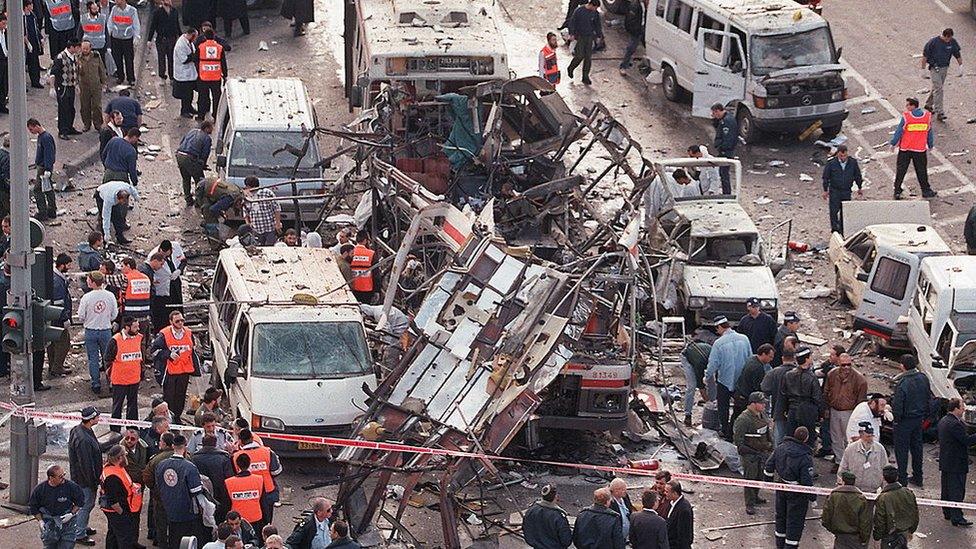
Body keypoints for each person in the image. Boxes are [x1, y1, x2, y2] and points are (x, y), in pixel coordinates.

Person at [765, 426, 817, 549]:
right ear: (806, 439)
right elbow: (806, 481)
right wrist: (812, 498)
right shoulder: (805, 457)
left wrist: (768, 482)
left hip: (781, 488)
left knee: (781, 518)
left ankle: (780, 546)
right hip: (797, 494)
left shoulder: (780, 448)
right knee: (795, 522)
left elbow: (769, 466)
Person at [157, 434, 212, 547]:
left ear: (173, 446)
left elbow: (158, 485)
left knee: (172, 539)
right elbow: (195, 491)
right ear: (185, 447)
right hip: (186, 511)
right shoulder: (190, 467)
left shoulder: (161, 465)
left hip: (168, 509)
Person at [704, 315, 752, 439]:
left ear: (720, 327)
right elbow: (750, 358)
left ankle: (725, 431)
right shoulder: (744, 339)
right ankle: (737, 430)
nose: (717, 332)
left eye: (717, 329)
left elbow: (713, 363)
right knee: (740, 406)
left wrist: (707, 377)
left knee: (723, 407)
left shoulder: (718, 343)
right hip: (741, 381)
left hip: (725, 381)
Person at [892, 354, 930, 487]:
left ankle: (902, 478)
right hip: (918, 419)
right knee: (917, 449)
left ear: (902, 366)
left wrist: (896, 419)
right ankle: (918, 476)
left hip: (904, 421)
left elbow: (898, 404)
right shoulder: (923, 378)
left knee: (902, 450)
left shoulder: (903, 382)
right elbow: (927, 397)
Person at [937, 397, 976, 526]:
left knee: (947, 489)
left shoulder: (944, 421)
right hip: (956, 463)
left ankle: (947, 512)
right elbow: (966, 440)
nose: (964, 409)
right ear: (956, 408)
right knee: (957, 490)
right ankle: (957, 517)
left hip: (947, 461)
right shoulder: (955, 424)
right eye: (962, 407)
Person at [152, 310, 196, 424]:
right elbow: (154, 351)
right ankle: (169, 419)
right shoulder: (164, 334)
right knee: (169, 397)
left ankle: (177, 417)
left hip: (184, 371)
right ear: (171, 322)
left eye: (182, 320)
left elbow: (192, 348)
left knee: (181, 396)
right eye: (177, 321)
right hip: (170, 372)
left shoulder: (188, 332)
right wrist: (168, 354)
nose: (180, 323)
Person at [733, 391, 773, 515]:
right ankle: (749, 503)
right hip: (750, 456)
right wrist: (753, 452)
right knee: (750, 479)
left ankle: (755, 497)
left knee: (759, 477)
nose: (764, 405)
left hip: (761, 453)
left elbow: (766, 432)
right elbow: (739, 443)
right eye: (761, 403)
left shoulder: (762, 415)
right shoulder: (743, 419)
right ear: (753, 404)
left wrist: (769, 446)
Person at [824, 353, 867, 465]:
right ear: (838, 364)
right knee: (836, 438)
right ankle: (839, 462)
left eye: (849, 365)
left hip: (849, 412)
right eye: (843, 365)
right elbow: (826, 392)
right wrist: (826, 409)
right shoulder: (832, 374)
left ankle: (850, 462)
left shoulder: (859, 379)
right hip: (834, 410)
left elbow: (861, 401)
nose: (846, 367)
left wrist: (857, 417)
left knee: (849, 438)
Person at [233, 429, 282, 528]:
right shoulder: (267, 452)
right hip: (268, 492)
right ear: (252, 438)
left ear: (240, 441)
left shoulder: (236, 456)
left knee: (249, 524)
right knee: (266, 522)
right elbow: (276, 471)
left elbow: (234, 475)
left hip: (248, 493)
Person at [68, 406, 103, 547]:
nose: (99, 419)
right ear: (91, 420)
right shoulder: (84, 440)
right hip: (85, 481)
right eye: (97, 417)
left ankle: (80, 526)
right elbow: (86, 465)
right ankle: (79, 533)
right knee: (85, 505)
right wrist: (93, 482)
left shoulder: (78, 430)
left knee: (82, 505)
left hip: (79, 478)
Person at [78, 271, 118, 393]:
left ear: (93, 282)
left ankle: (96, 383)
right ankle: (111, 381)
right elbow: (114, 314)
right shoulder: (110, 296)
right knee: (109, 358)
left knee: (93, 358)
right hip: (106, 330)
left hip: (91, 330)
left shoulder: (86, 297)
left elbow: (81, 316)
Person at [890, 97, 936, 199]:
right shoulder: (927, 117)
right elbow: (929, 133)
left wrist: (893, 143)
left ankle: (897, 190)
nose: (906, 107)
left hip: (905, 149)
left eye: (908, 105)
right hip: (919, 150)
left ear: (913, 106)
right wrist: (930, 144)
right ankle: (926, 190)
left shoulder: (907, 117)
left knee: (901, 171)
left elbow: (899, 131)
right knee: (921, 171)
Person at [29, 464, 85, 549]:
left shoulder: (71, 487)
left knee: (67, 546)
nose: (63, 478)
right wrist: (40, 521)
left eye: (64, 475)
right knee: (50, 546)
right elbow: (33, 507)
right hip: (49, 523)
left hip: (68, 523)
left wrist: (71, 514)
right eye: (60, 476)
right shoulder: (40, 490)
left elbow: (80, 501)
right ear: (51, 478)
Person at [105, 315, 145, 430]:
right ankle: (115, 430)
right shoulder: (115, 340)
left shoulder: (139, 338)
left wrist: (141, 372)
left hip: (134, 379)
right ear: (127, 327)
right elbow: (108, 359)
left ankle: (132, 428)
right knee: (117, 406)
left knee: (133, 406)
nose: (138, 329)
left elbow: (140, 357)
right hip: (120, 381)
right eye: (135, 327)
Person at [100, 444, 143, 548]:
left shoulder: (114, 468)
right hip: (117, 511)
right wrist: (123, 514)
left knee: (113, 534)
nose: (127, 456)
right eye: (125, 454)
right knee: (125, 537)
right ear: (119, 458)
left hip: (116, 509)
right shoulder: (112, 477)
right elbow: (113, 501)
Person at [780, 347, 822, 447]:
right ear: (806, 359)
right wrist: (819, 414)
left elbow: (784, 394)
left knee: (790, 437)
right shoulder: (812, 377)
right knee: (807, 439)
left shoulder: (788, 375)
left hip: (792, 410)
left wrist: (785, 409)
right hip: (807, 411)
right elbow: (817, 398)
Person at [821, 471, 872, 549]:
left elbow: (826, 518)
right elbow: (865, 522)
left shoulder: (834, 496)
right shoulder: (861, 499)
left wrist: (834, 530)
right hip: (855, 538)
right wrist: (864, 538)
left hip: (840, 537)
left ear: (843, 481)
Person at [191, 433, 234, 523]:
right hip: (221, 496)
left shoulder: (195, 458)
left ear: (202, 444)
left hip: (202, 496)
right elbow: (229, 478)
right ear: (215, 444)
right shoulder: (223, 458)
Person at [821, 145, 863, 234]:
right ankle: (835, 229)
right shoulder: (831, 163)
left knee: (844, 211)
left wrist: (860, 187)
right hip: (835, 190)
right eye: (841, 156)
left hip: (846, 190)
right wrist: (825, 190)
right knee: (833, 211)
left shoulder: (852, 162)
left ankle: (842, 229)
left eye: (844, 156)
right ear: (838, 154)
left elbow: (857, 175)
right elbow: (826, 177)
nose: (843, 158)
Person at [873, 465, 919, 547]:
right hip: (904, 532)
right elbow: (915, 512)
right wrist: (911, 530)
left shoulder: (883, 498)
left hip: (889, 536)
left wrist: (877, 536)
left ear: (883, 478)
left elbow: (880, 520)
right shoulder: (908, 492)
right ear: (897, 477)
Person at [922, 28, 962, 121]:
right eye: (947, 39)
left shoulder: (952, 42)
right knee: (939, 89)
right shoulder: (933, 42)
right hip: (934, 68)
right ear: (944, 36)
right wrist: (923, 70)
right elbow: (925, 55)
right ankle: (939, 112)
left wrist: (961, 66)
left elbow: (957, 53)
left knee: (937, 88)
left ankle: (928, 104)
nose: (948, 41)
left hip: (944, 68)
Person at [838, 422, 888, 494]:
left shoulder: (880, 449)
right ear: (861, 435)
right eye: (868, 436)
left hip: (873, 491)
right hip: (854, 491)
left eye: (872, 436)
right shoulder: (850, 449)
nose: (871, 439)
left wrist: (885, 490)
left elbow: (885, 469)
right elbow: (842, 469)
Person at [144, 431, 174, 545]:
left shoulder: (156, 459)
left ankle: (161, 543)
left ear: (165, 444)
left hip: (160, 497)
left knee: (161, 524)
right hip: (177, 498)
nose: (159, 443)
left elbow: (147, 477)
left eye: (161, 441)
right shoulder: (183, 456)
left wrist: (154, 489)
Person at [47, 253, 73, 379]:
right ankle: (57, 367)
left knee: (53, 342)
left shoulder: (55, 277)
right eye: (68, 265)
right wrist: (65, 318)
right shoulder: (57, 282)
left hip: (52, 316)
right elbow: (60, 302)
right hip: (58, 317)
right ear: (62, 265)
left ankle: (54, 366)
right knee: (64, 342)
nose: (69, 267)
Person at [764, 342, 796, 444]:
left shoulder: (774, 372)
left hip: (779, 410)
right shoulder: (799, 373)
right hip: (795, 411)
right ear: (794, 358)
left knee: (779, 439)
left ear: (782, 358)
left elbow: (764, 388)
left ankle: (779, 458)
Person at [732, 343, 774, 422]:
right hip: (745, 398)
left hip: (739, 393)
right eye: (770, 357)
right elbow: (758, 388)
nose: (771, 359)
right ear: (764, 354)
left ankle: (729, 433)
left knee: (735, 418)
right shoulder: (758, 368)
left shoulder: (752, 358)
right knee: (743, 420)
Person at [522, 484, 572, 549]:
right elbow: (566, 540)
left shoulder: (531, 510)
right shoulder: (558, 516)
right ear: (556, 497)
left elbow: (526, 529)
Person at [565, 0, 602, 85]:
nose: (595, 9)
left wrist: (599, 36)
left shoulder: (595, 13)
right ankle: (571, 68)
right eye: (595, 7)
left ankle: (585, 77)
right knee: (579, 56)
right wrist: (572, 33)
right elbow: (572, 22)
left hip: (589, 37)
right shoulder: (579, 11)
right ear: (591, 5)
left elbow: (597, 25)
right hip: (580, 37)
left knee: (588, 58)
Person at [177, 121, 214, 205]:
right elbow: (205, 154)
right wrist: (202, 164)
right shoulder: (206, 138)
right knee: (200, 180)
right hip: (191, 158)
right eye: (211, 128)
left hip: (180, 155)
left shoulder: (192, 131)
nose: (212, 130)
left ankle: (188, 199)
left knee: (186, 178)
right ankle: (199, 201)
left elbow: (182, 142)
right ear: (207, 128)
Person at [28, 118, 58, 221]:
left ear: (36, 126)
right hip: (43, 166)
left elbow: (49, 154)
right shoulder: (42, 137)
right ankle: (52, 210)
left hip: (44, 167)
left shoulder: (45, 138)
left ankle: (43, 212)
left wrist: (48, 169)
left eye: (31, 129)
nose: (31, 132)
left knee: (37, 190)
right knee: (48, 188)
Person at [195, 27, 227, 120]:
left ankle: (201, 115)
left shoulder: (201, 47)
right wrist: (225, 76)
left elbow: (195, 59)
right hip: (216, 77)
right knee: (216, 97)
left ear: (205, 37)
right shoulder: (219, 48)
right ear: (214, 36)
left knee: (202, 97)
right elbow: (223, 63)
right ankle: (216, 115)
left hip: (203, 76)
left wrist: (199, 70)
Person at [76, 40, 106, 133]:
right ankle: (86, 124)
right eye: (83, 48)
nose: (84, 50)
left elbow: (101, 69)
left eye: (86, 48)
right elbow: (75, 72)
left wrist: (104, 82)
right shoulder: (78, 58)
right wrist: (76, 84)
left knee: (97, 105)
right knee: (85, 106)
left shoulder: (96, 56)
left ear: (90, 48)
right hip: (84, 86)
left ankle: (98, 124)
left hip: (96, 85)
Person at [107, 0, 140, 85]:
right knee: (117, 59)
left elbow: (136, 24)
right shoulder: (114, 9)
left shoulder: (132, 11)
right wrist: (108, 35)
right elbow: (110, 23)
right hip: (116, 38)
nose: (116, 1)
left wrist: (136, 37)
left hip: (127, 39)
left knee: (129, 59)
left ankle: (131, 78)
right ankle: (120, 76)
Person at [147, 0, 181, 79]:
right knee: (161, 58)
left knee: (171, 58)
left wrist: (181, 35)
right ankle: (162, 75)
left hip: (172, 38)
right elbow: (153, 26)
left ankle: (172, 75)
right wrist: (149, 39)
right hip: (161, 39)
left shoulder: (174, 11)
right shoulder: (157, 12)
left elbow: (177, 24)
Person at [242, 176, 281, 245]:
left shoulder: (267, 193)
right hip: (256, 229)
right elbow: (245, 211)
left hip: (270, 227)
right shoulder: (247, 196)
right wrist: (248, 224)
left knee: (270, 247)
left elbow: (277, 208)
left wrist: (277, 223)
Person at [710, 103, 738, 194]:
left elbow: (728, 138)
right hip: (725, 151)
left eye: (714, 113)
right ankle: (726, 192)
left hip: (726, 152)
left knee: (724, 173)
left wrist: (722, 149)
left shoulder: (727, 122)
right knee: (722, 172)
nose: (713, 115)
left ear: (717, 111)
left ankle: (727, 193)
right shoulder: (726, 119)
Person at [173, 27, 199, 117]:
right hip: (183, 74)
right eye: (195, 37)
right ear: (191, 35)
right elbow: (184, 59)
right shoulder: (181, 45)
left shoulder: (188, 42)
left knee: (190, 93)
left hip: (189, 73)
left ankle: (189, 107)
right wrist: (195, 56)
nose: (195, 39)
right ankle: (184, 111)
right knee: (186, 95)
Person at [350, 230, 377, 304]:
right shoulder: (371, 254)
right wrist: (377, 290)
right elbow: (376, 274)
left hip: (353, 287)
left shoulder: (351, 252)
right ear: (365, 240)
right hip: (367, 288)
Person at [664, 481, 692, 549]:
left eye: (667, 492)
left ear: (675, 493)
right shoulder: (671, 503)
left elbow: (684, 535)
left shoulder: (684, 509)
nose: (665, 493)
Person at [618, 0, 644, 74]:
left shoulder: (642, 5)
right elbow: (630, 20)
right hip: (637, 30)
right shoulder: (635, 6)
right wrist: (636, 30)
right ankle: (623, 66)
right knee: (631, 48)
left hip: (641, 29)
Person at [25, 1, 45, 89]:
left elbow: (36, 28)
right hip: (28, 43)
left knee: (35, 61)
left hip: (35, 41)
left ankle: (36, 80)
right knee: (31, 63)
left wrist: (40, 38)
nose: (33, 6)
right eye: (31, 4)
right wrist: (27, 43)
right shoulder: (23, 17)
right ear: (26, 6)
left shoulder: (32, 15)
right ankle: (33, 81)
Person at [0, 16, 9, 114]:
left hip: (5, 59)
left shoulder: (5, 32)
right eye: (3, 23)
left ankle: (2, 104)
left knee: (4, 84)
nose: (4, 26)